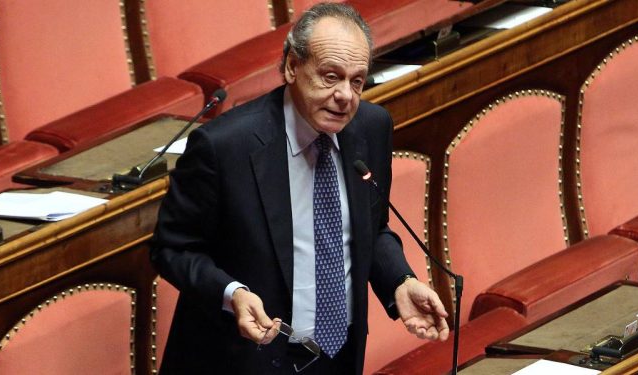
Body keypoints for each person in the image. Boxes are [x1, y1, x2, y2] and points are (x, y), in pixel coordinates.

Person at [151, 3, 449, 374]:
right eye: (330, 76)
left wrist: (399, 282)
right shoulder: (225, 147)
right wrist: (233, 294)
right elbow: (172, 248)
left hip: (338, 358)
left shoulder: (371, 128)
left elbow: (371, 229)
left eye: (357, 81)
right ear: (292, 66)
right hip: (244, 359)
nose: (345, 96)